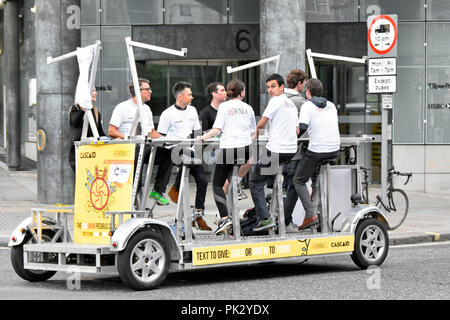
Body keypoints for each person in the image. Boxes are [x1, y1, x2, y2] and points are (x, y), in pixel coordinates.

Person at [200, 79, 256, 235]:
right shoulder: (248, 108)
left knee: (217, 184)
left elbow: (217, 129)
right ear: (242, 92)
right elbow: (253, 131)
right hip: (245, 150)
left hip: (229, 149)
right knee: (231, 177)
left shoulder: (224, 107)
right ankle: (235, 186)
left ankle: (225, 217)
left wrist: (203, 138)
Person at [108, 78, 172, 206]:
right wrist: (128, 137)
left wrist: (169, 139)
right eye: (147, 89)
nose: (150, 91)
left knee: (168, 152)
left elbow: (152, 132)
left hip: (145, 146)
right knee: (135, 182)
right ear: (138, 91)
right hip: (128, 148)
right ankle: (130, 202)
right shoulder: (122, 107)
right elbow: (111, 131)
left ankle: (158, 191)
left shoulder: (147, 109)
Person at [158, 81, 212, 231]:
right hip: (173, 149)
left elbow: (196, 131)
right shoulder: (167, 114)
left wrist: (206, 134)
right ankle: (175, 188)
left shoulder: (193, 110)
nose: (192, 97)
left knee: (203, 180)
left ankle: (198, 214)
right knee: (185, 157)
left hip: (190, 150)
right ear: (180, 97)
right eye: (189, 94)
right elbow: (160, 137)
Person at [249, 73, 299, 231]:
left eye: (273, 86)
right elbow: (297, 130)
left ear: (282, 87)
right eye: (268, 87)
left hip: (277, 150)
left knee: (255, 182)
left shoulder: (275, 101)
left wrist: (254, 134)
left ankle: (264, 219)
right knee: (269, 174)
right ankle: (274, 195)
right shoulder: (290, 104)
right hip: (290, 152)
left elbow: (262, 123)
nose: (270, 90)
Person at [293, 78, 340, 230]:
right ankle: (314, 192)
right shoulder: (331, 105)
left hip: (318, 150)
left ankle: (310, 214)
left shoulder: (307, 105)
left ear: (308, 92)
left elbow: (302, 128)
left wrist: (290, 137)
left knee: (298, 180)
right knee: (313, 167)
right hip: (334, 150)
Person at [283, 69, 308, 231]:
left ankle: (282, 219)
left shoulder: (279, 99)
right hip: (296, 152)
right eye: (304, 83)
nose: (305, 86)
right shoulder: (301, 103)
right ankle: (285, 221)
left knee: (286, 187)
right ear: (299, 84)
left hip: (280, 150)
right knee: (293, 187)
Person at [69, 87, 106, 172]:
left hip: (93, 152)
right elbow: (75, 122)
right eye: (93, 91)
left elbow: (100, 132)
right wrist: (83, 109)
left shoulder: (96, 112)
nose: (96, 93)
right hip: (80, 152)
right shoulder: (76, 109)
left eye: (96, 91)